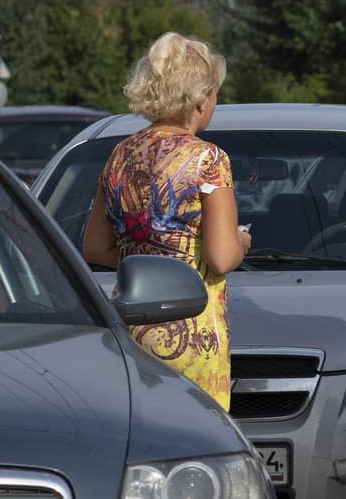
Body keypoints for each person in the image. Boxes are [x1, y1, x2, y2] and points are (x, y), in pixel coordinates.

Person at [83, 31, 251, 411]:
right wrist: (241, 242)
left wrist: (151, 256)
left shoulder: (119, 155)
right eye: (215, 93)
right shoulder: (209, 159)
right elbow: (221, 257)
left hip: (133, 328)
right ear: (201, 98)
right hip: (192, 332)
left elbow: (95, 247)